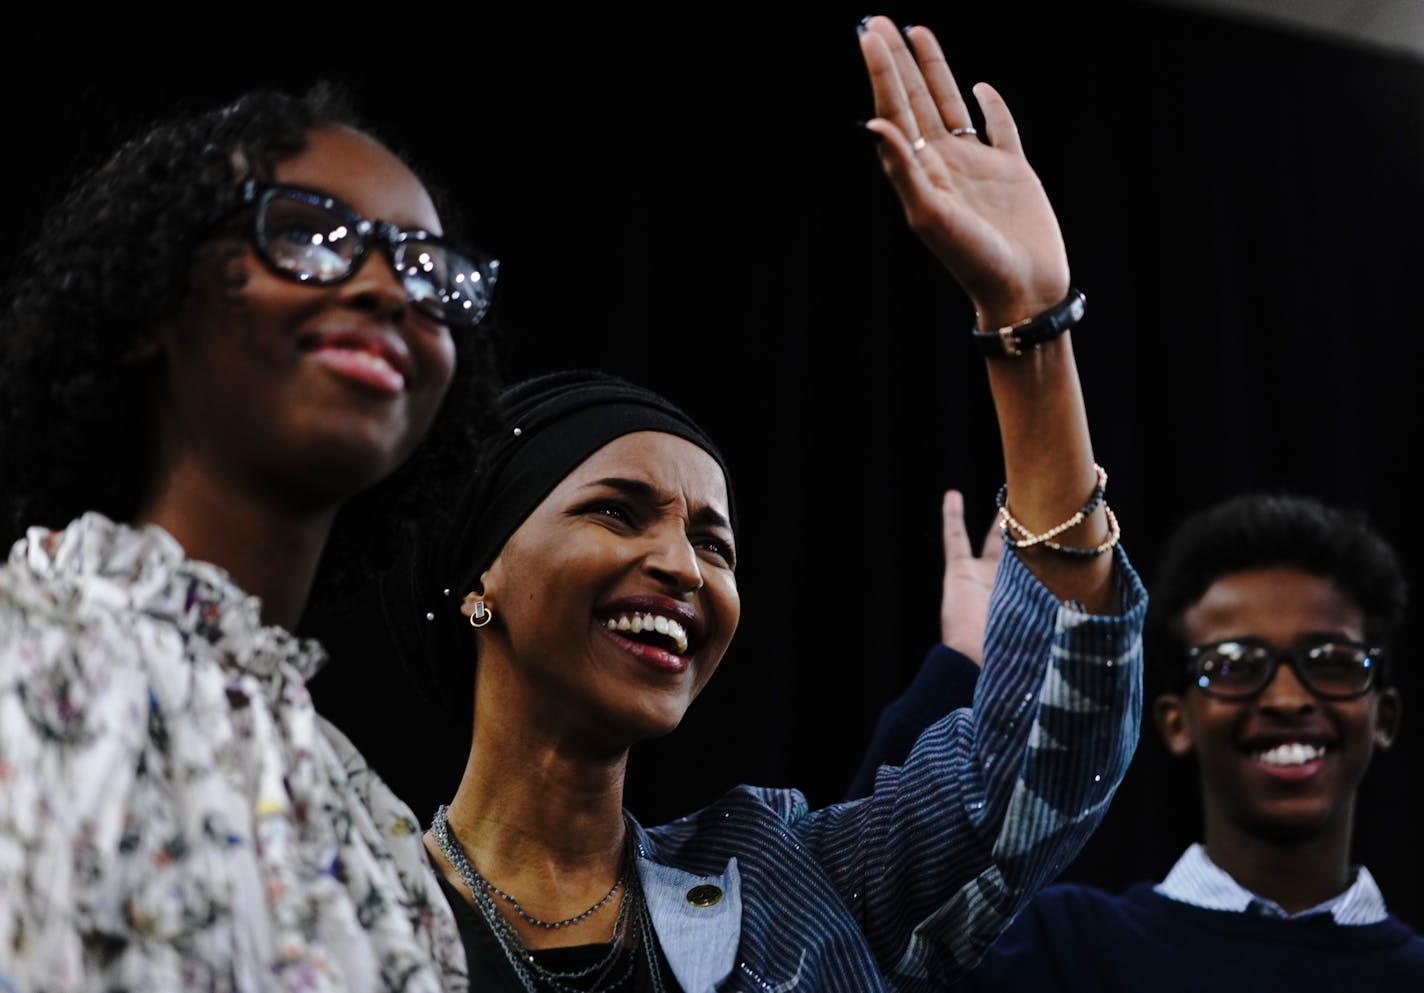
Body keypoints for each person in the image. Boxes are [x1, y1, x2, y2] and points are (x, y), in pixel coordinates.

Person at [382, 14, 1147, 992]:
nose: (682, 565)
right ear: (477, 572)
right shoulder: (347, 918)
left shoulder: (788, 880)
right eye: (618, 510)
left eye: (714, 542)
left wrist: (1027, 324)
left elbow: (1049, 755)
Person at [0, 83, 501, 991]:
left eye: (428, 270)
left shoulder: (379, 838)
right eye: (307, 233)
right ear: (151, 293)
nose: (390, 288)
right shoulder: (26, 654)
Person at [852, 492, 1424, 989]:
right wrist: (966, 665)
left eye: (1329, 662)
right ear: (1176, 721)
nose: (1285, 699)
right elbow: (850, 929)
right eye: (1233, 664)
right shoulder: (1056, 949)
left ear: (1385, 716)